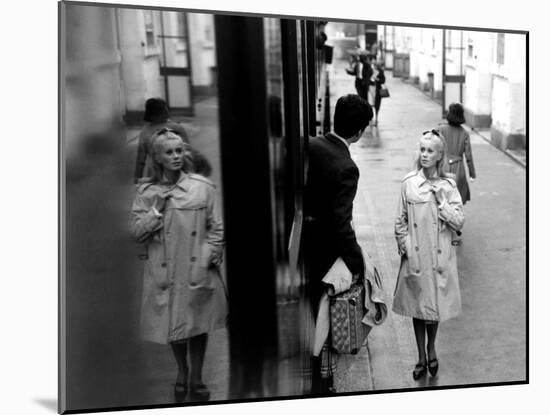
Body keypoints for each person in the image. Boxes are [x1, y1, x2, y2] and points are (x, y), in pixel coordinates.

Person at [130, 128, 226, 401]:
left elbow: (216, 228)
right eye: (169, 152)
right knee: (173, 324)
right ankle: (182, 372)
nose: (175, 156)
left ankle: (196, 376)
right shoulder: (147, 193)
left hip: (195, 265)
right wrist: (156, 210)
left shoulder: (202, 188)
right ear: (157, 158)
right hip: (165, 268)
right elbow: (136, 234)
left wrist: (208, 257)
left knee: (199, 324)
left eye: (179, 151)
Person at [304, 94, 373, 394]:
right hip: (323, 255)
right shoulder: (347, 166)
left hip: (303, 247)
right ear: (358, 132)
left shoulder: (311, 144)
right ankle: (323, 377)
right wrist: (358, 264)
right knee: (327, 317)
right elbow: (341, 225)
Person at [393, 130, 464, 380]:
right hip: (416, 256)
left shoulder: (449, 185)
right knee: (417, 308)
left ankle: (431, 348)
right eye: (422, 149)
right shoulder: (409, 182)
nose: (424, 154)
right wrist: (406, 246)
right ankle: (421, 357)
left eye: (430, 150)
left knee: (433, 308)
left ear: (440, 155)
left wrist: (443, 204)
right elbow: (400, 221)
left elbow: (459, 222)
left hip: (439, 257)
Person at [134, 97, 190, 183]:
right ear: (163, 111)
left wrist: (137, 179)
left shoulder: (145, 131)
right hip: (178, 171)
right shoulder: (177, 128)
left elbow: (140, 161)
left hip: (154, 173)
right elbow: (188, 154)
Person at [438, 102, 477, 205]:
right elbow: (468, 156)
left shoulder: (441, 129)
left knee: (442, 195)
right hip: (459, 168)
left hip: (443, 165)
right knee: (457, 196)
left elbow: (436, 148)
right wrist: (472, 174)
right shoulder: (464, 133)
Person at [372, 61, 386, 126]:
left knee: (377, 105)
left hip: (378, 90)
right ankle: (372, 118)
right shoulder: (372, 71)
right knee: (371, 104)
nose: (374, 66)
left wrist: (377, 80)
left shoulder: (380, 71)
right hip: (371, 90)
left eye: (375, 65)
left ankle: (376, 119)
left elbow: (383, 80)